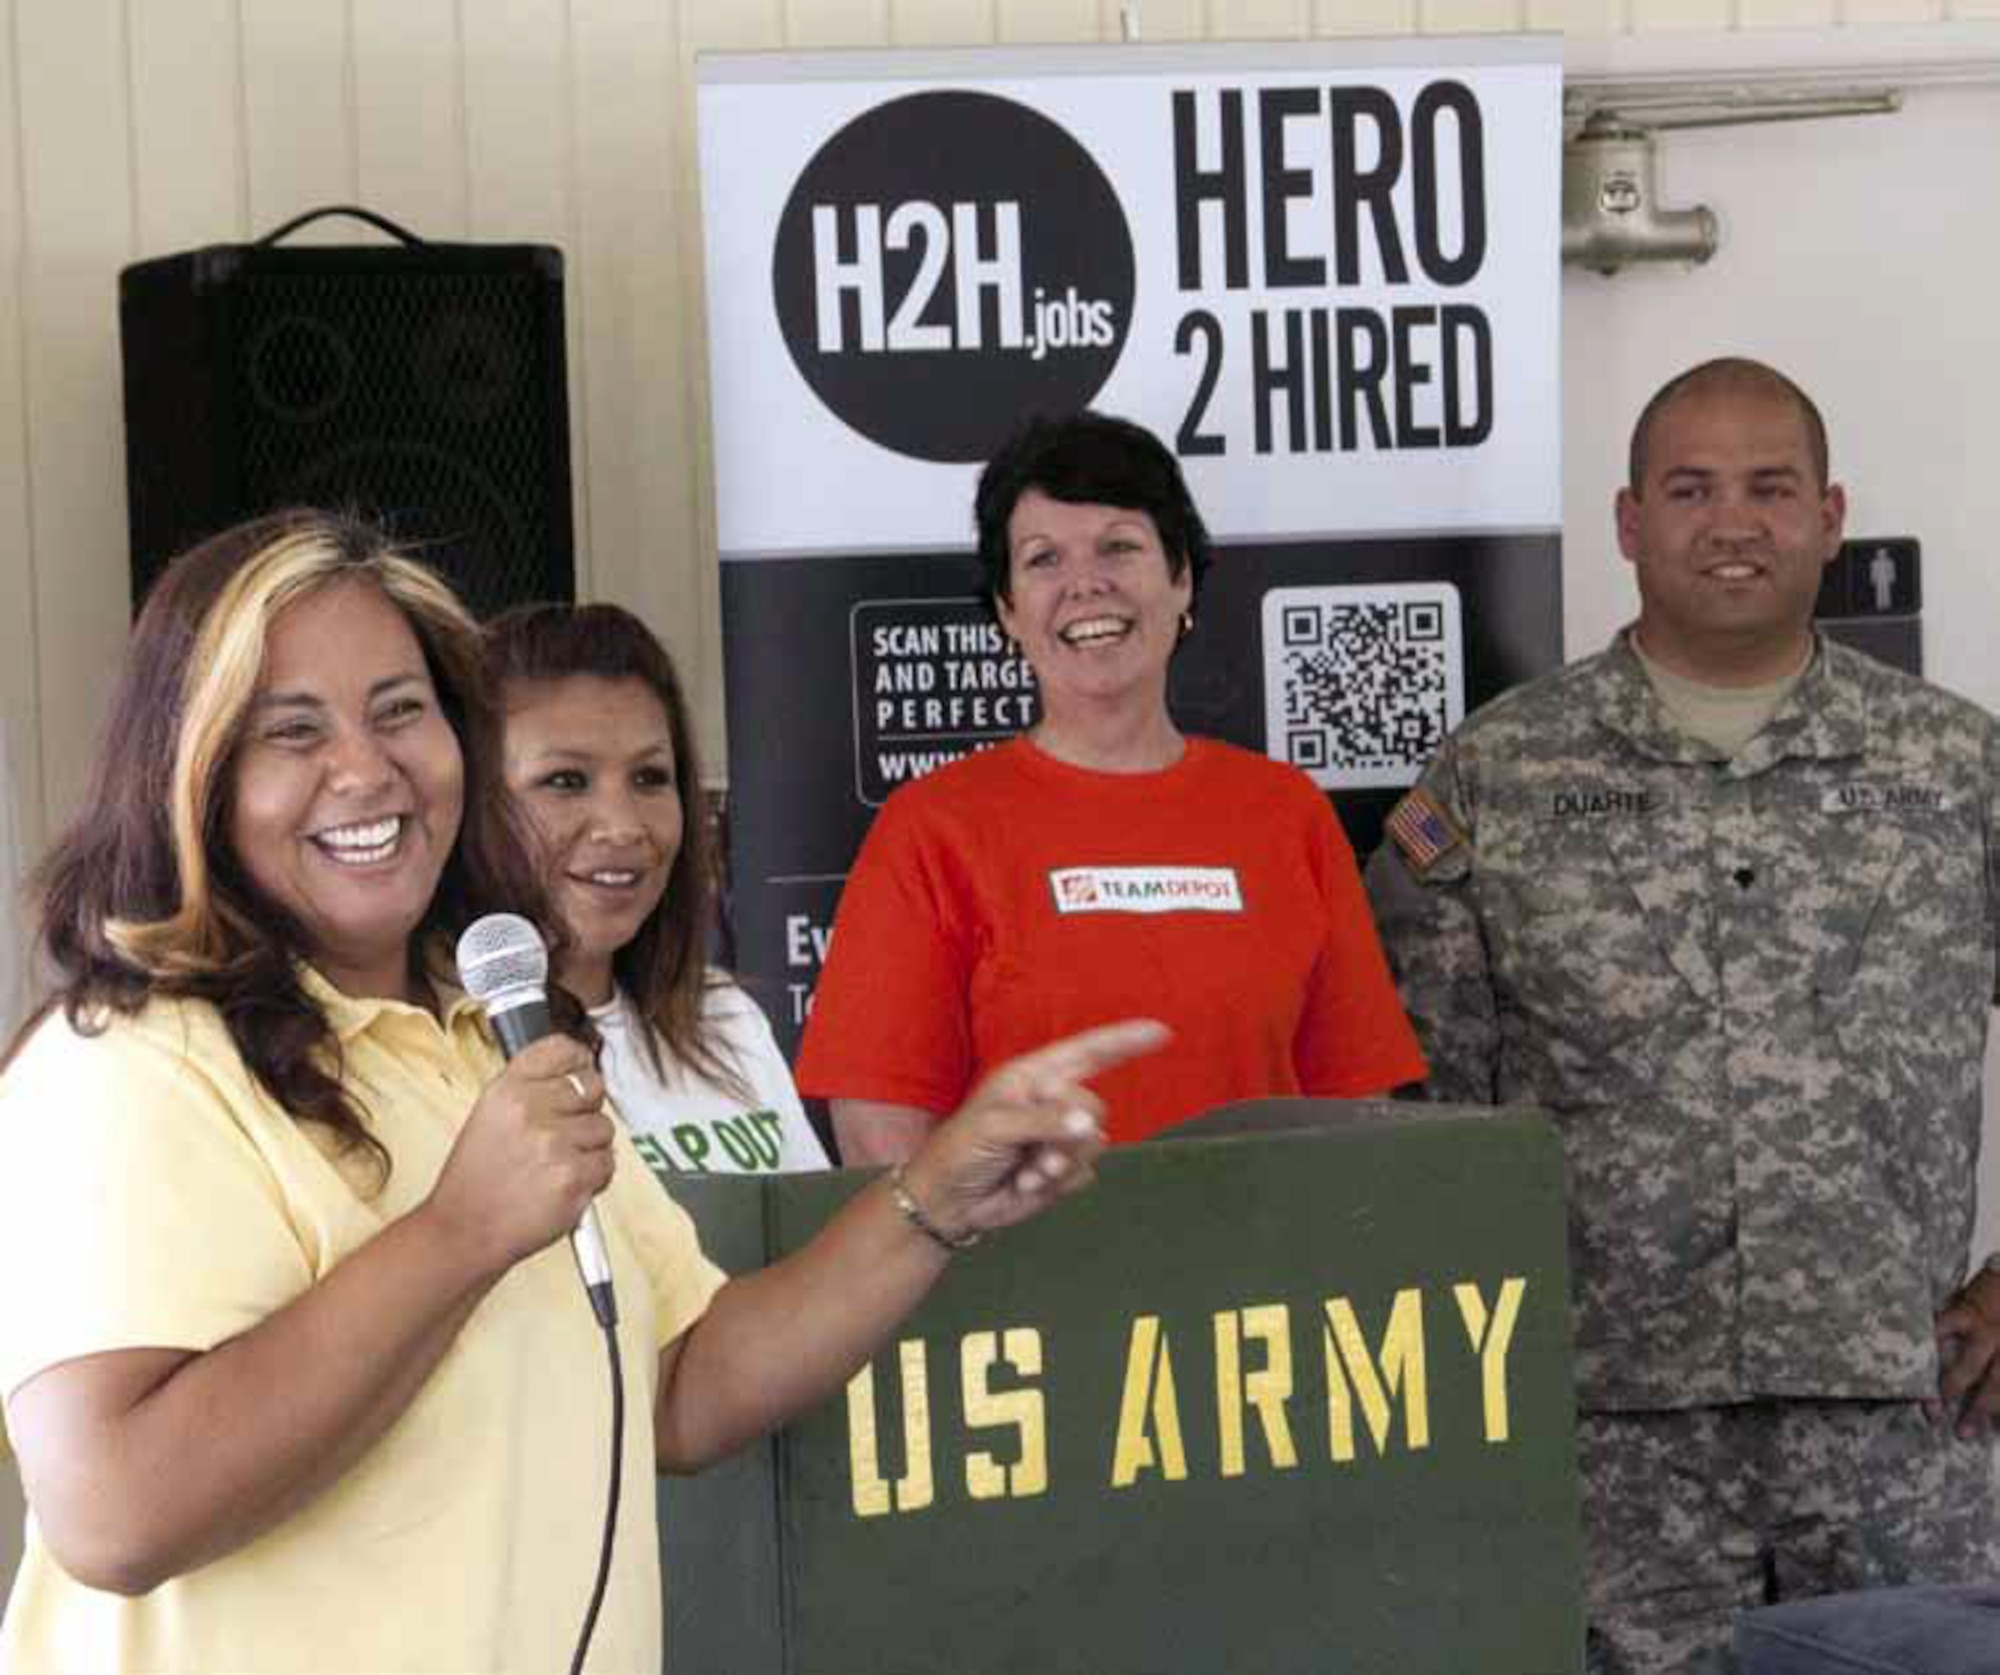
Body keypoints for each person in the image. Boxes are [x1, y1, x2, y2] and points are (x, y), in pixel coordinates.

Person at [0, 509, 1163, 1673]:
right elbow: (114, 1510)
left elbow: (682, 1380)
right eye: (289, 731)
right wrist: (460, 1233)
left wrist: (934, 1198)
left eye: (401, 710)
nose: (365, 768)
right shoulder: (126, 1060)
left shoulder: (487, 1032)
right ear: (193, 774)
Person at [1364, 358, 2000, 1674]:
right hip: (1609, 1429)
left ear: (1830, 515)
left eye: (1770, 488)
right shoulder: (1499, 772)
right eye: (1691, 488)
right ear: (1627, 520)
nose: (1732, 523)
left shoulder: (1956, 764)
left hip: (1899, 1411)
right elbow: (1423, 1108)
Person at [798, 410, 1424, 1163]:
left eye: (1119, 546)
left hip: (1263, 1278)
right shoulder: (931, 831)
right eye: (1042, 560)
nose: (1085, 584)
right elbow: (882, 1145)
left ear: (1181, 576)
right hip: (1029, 1280)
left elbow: (1357, 1113)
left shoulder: (1287, 814)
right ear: (1007, 610)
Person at [487, 602, 828, 1178]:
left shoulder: (721, 1015)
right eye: (565, 781)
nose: (622, 826)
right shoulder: (443, 1050)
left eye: (650, 778)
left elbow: (824, 1250)